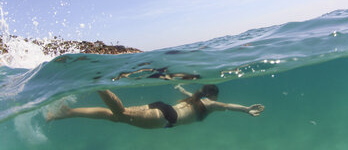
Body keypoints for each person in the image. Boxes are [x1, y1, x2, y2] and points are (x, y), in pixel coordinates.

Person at [47, 84, 264, 129]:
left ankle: (67, 112)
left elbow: (188, 93)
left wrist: (180, 89)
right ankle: (98, 85)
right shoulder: (211, 104)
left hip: (161, 106)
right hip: (166, 117)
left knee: (112, 115)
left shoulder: (195, 98)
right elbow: (228, 105)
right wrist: (246, 109)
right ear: (213, 95)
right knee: (119, 113)